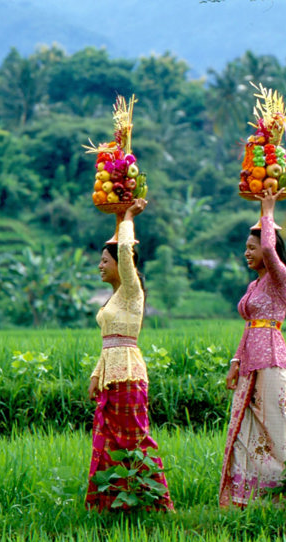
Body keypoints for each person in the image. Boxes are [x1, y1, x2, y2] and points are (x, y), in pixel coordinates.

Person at [85, 199, 174, 511]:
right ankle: (110, 504)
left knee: (136, 439)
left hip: (129, 375)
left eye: (104, 261)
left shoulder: (132, 291)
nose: (100, 265)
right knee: (108, 442)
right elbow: (107, 342)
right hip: (111, 377)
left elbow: (125, 251)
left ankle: (157, 502)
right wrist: (97, 374)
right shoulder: (114, 300)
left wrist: (127, 217)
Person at [219, 189, 286, 508]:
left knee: (277, 424)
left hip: (271, 359)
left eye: (250, 247)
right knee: (245, 428)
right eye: (246, 248)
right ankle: (250, 499)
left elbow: (269, 246)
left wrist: (267, 210)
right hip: (251, 362)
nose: (247, 252)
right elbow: (248, 325)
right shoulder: (253, 286)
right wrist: (235, 362)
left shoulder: (282, 278)